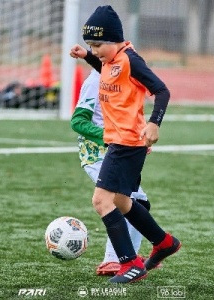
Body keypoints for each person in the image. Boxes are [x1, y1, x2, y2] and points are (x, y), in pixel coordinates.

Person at [70, 5, 181, 283]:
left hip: (126, 143)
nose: (95, 50)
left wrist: (155, 123)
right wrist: (88, 57)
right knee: (120, 200)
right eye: (90, 46)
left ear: (114, 39)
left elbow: (162, 90)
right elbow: (107, 69)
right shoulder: (111, 61)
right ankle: (164, 242)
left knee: (101, 200)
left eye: (97, 45)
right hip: (120, 142)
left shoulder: (131, 59)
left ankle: (129, 263)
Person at [71, 69, 152, 276]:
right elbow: (78, 122)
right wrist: (110, 137)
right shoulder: (93, 82)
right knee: (123, 200)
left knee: (139, 202)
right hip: (97, 155)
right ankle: (113, 260)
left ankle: (129, 256)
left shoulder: (118, 79)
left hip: (120, 152)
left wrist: (138, 138)